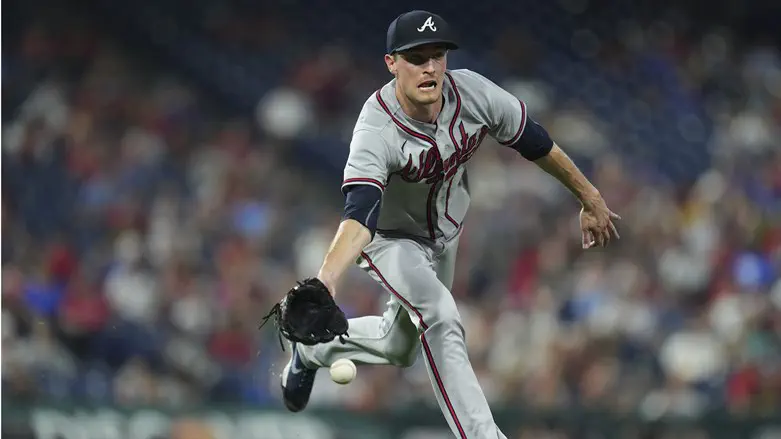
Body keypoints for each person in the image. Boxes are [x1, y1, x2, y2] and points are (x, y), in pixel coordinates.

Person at [281, 10, 620, 439]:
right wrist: (327, 279)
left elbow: (536, 141)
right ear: (391, 63)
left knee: (398, 346)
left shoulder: (473, 93)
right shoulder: (375, 128)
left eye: (437, 56)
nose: (429, 68)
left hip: (446, 233)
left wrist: (589, 196)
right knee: (440, 315)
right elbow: (359, 214)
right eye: (416, 57)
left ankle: (311, 352)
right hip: (389, 238)